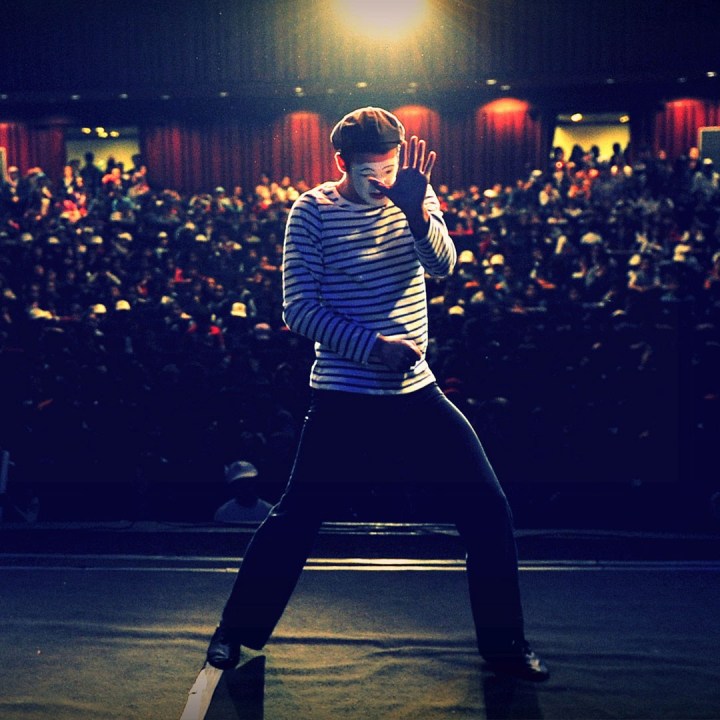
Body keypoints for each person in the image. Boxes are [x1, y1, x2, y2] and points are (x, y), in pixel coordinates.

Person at [205, 106, 549, 681]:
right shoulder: (312, 211)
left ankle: (505, 644)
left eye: (390, 168)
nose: (383, 181)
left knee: (488, 509)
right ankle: (233, 633)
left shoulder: (414, 193)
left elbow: (443, 266)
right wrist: (373, 347)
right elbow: (298, 310)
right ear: (341, 162)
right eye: (371, 172)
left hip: (416, 391)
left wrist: (417, 212)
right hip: (343, 394)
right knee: (296, 519)